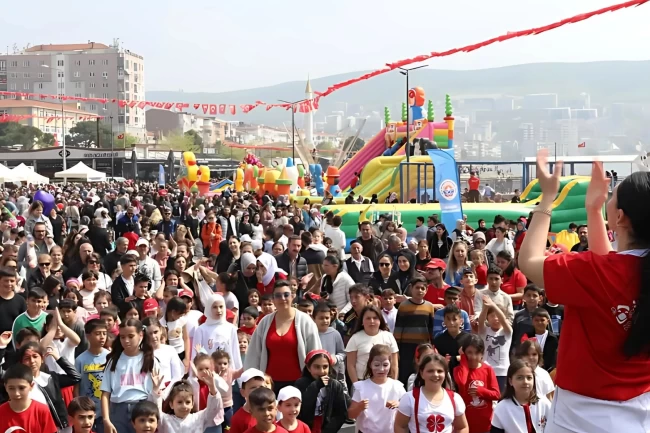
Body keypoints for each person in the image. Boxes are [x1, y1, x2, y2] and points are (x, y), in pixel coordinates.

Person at [517, 152, 650, 433]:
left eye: (613, 196)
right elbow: (608, 268)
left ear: (620, 217)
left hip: (579, 417)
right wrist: (593, 210)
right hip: (641, 412)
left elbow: (528, 261)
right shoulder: (605, 271)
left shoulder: (592, 271)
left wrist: (547, 197)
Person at [244, 281, 321, 394]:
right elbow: (254, 354)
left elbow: (315, 354)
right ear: (273, 299)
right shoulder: (265, 322)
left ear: (293, 296)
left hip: (300, 384)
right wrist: (251, 380)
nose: (282, 298)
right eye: (278, 295)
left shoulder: (305, 321)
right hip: (269, 385)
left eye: (286, 294)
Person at [100, 319, 159, 433]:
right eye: (122, 337)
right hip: (118, 411)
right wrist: (106, 419)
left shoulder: (150, 359)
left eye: (131, 336)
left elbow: (157, 391)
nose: (126, 340)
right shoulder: (114, 361)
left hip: (143, 409)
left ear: (140, 335)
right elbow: (105, 393)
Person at [393, 353, 468, 433]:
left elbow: (462, 427)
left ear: (445, 373)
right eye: (430, 371)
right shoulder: (410, 398)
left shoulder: (455, 399)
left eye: (439, 371)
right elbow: (400, 426)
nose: (435, 374)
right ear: (422, 373)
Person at [347, 344, 406, 433]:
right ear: (370, 364)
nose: (381, 369)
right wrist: (359, 407)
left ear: (390, 364)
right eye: (377, 365)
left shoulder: (397, 387)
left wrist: (399, 404)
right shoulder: (362, 387)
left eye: (385, 365)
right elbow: (350, 415)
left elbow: (408, 410)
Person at [453, 335, 500, 433]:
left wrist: (481, 391)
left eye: (477, 353)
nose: (473, 357)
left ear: (482, 353)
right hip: (466, 424)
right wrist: (463, 359)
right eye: (469, 352)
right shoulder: (458, 370)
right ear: (464, 352)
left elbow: (496, 394)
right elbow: (462, 382)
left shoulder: (488, 369)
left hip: (485, 424)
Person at [393, 275, 435, 385]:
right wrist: (397, 349)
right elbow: (398, 329)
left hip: (423, 347)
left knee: (422, 372)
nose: (419, 290)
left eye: (422, 288)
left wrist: (432, 346)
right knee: (405, 373)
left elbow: (431, 329)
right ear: (411, 288)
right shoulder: (403, 306)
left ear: (426, 290)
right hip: (406, 347)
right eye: (417, 287)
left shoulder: (429, 307)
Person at [151, 370, 223, 433]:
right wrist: (156, 390)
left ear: (192, 404)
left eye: (188, 402)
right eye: (179, 402)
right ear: (171, 404)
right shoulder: (165, 420)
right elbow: (155, 412)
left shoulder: (199, 418)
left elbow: (212, 410)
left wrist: (212, 388)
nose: (184, 406)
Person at [294, 349, 349, 433]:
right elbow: (302, 409)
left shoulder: (335, 385)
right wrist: (316, 385)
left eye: (325, 367)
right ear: (308, 368)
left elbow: (340, 413)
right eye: (317, 367)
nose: (321, 371)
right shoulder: (301, 384)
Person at [491, 360, 552, 433]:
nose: (525, 382)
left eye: (529, 378)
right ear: (510, 381)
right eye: (519, 378)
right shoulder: (502, 408)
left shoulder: (544, 403)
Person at [345, 305, 399, 384]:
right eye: (368, 318)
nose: (372, 321)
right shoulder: (355, 338)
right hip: (362, 381)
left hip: (385, 382)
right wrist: (357, 385)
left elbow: (394, 364)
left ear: (380, 320)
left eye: (375, 318)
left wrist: (393, 383)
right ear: (362, 321)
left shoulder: (389, 336)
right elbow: (350, 365)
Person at [74, 318, 110, 433]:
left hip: (106, 411)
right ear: (88, 336)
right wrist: (79, 406)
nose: (102, 337)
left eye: (104, 333)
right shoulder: (80, 360)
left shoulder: (110, 357)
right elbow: (76, 386)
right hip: (87, 411)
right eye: (98, 333)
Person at [0, 364, 57, 433]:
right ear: (5, 387)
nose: (16, 393)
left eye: (21, 388)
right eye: (11, 388)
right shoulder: (1, 412)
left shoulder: (42, 411)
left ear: (31, 386)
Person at [477, 295, 513, 394]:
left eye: (497, 315)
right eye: (492, 316)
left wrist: (493, 305)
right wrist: (486, 307)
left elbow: (503, 320)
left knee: (501, 397)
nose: (495, 318)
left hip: (503, 372)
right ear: (487, 318)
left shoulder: (507, 331)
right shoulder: (484, 331)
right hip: (486, 370)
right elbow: (480, 321)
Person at [230, 368, 268, 433]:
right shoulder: (238, 418)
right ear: (243, 392)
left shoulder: (268, 413)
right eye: (253, 387)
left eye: (261, 387)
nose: (258, 391)